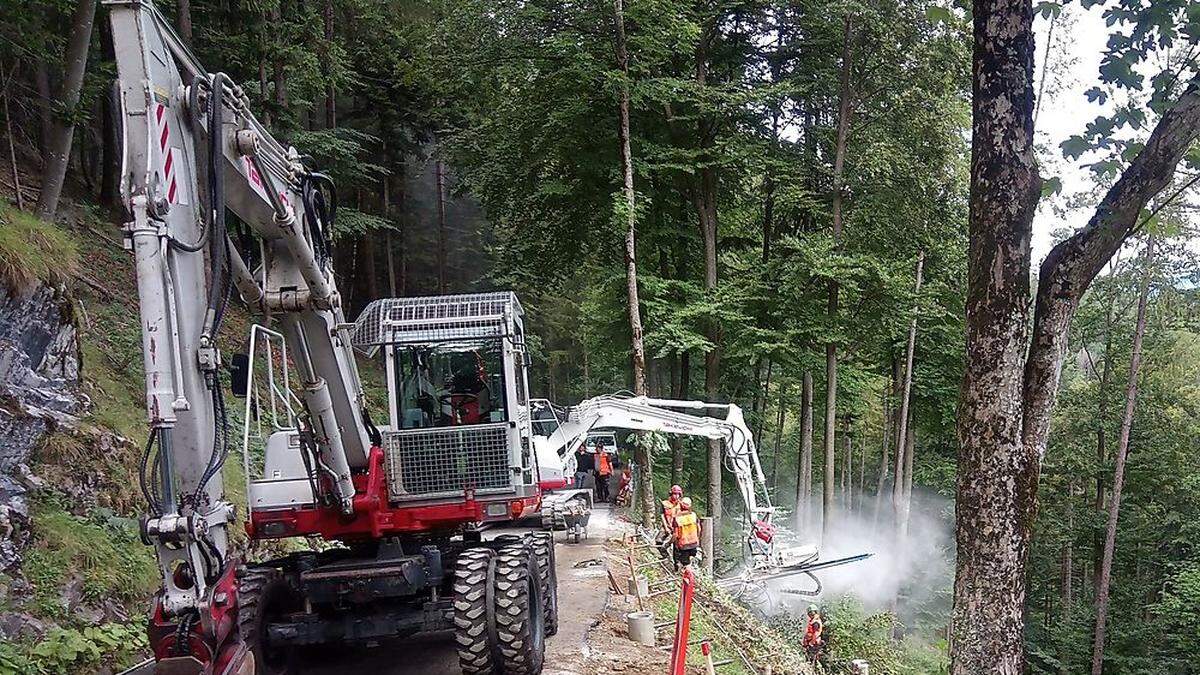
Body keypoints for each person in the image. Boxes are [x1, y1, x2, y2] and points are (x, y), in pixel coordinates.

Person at [672, 497, 701, 570]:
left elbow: (675, 535)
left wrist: (669, 543)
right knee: (691, 561)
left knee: (686, 565)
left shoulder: (677, 519)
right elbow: (699, 529)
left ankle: (686, 577)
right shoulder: (694, 515)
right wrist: (697, 538)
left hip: (684, 545)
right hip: (694, 543)